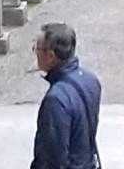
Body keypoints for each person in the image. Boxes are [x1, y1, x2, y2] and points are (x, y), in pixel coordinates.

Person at [31, 22, 103, 169]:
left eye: (37, 49)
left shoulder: (55, 100)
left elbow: (53, 157)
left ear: (50, 56)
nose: (35, 53)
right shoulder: (91, 80)